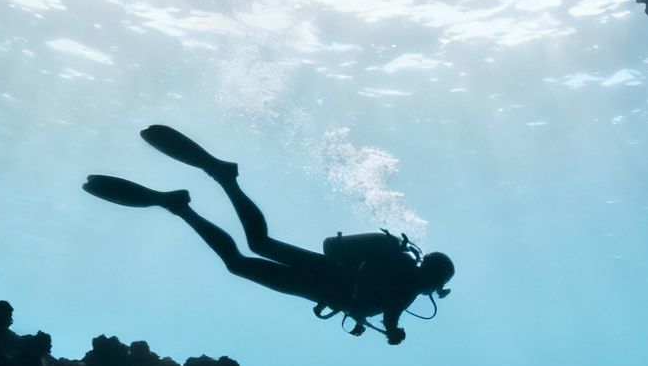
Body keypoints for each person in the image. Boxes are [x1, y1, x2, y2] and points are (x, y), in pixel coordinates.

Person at [84, 126, 454, 345]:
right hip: (319, 283)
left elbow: (358, 276)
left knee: (257, 245)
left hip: (321, 271)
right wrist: (393, 334)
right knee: (239, 262)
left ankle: (214, 184)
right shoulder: (406, 286)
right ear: (434, 279)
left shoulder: (400, 267)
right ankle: (185, 204)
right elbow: (390, 318)